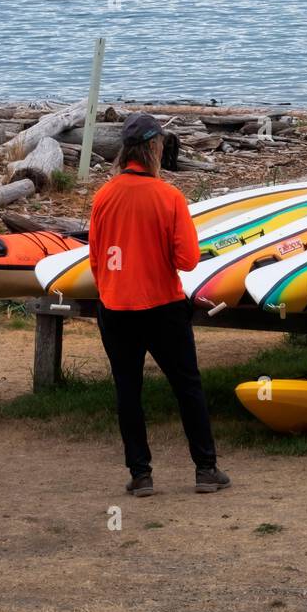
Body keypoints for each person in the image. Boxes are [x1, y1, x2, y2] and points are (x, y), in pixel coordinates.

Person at [89, 112, 230, 497]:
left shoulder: (104, 195)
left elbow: (97, 259)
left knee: (128, 390)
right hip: (162, 306)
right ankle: (205, 470)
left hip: (116, 307)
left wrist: (111, 289)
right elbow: (187, 260)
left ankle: (141, 474)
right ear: (155, 148)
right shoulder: (169, 197)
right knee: (187, 386)